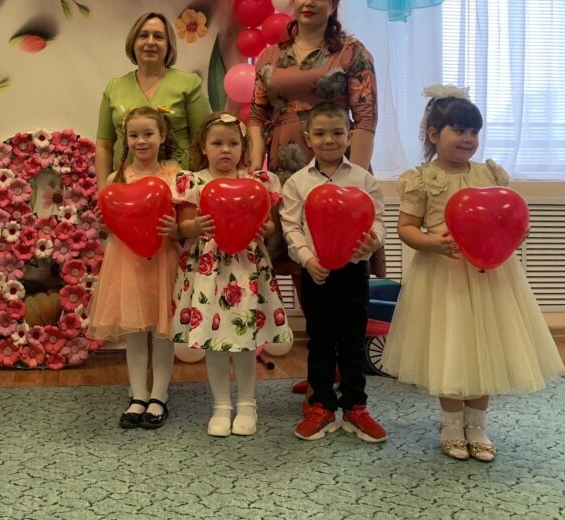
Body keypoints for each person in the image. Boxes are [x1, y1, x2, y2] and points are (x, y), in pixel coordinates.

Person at [381, 87, 565, 461]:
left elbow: (508, 214)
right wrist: (432, 242)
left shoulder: (489, 173)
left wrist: (516, 232)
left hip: (490, 275)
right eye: (459, 130)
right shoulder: (422, 178)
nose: (468, 138)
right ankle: (451, 425)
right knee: (451, 348)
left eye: (473, 131)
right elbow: (406, 228)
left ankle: (477, 425)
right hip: (444, 275)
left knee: (486, 348)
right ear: (434, 134)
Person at [247, 0, 379, 396]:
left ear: (333, 4)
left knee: (342, 265)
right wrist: (256, 172)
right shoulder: (270, 55)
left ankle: (344, 364)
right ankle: (323, 364)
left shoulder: (352, 52)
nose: (309, 2)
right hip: (285, 171)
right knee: (303, 264)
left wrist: (354, 182)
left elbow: (365, 117)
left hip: (338, 169)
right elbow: (257, 115)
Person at [174, 112, 292, 437]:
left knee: (245, 337)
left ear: (243, 147)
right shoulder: (194, 182)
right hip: (208, 270)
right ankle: (221, 406)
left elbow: (269, 225)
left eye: (232, 143)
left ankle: (247, 404)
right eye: (217, 143)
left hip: (245, 269)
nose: (225, 150)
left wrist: (264, 229)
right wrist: (195, 226)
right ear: (203, 147)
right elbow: (182, 227)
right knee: (214, 341)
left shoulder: (255, 183)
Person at [280, 102, 387, 443]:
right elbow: (291, 227)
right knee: (321, 341)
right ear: (308, 138)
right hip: (317, 273)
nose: (329, 140)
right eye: (321, 134)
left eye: (338, 133)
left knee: (353, 341)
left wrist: (373, 242)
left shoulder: (363, 179)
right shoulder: (297, 182)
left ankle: (355, 406)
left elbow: (377, 221)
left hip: (353, 272)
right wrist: (307, 259)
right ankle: (322, 406)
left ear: (349, 136)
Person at [87, 106, 180, 430]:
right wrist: (104, 222)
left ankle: (159, 394)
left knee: (162, 330)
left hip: (163, 260)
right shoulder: (116, 179)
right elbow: (111, 226)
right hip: (126, 262)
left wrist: (175, 228)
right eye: (134, 135)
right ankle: (138, 394)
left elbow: (181, 224)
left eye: (148, 134)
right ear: (125, 139)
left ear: (162, 136)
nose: (141, 141)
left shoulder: (174, 177)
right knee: (135, 331)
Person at [95, 12, 211, 188]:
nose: (150, 42)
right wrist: (103, 192)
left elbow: (204, 140)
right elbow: (104, 145)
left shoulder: (189, 84)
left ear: (169, 45)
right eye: (143, 36)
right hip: (126, 187)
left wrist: (198, 189)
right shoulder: (114, 87)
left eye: (158, 37)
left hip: (177, 188)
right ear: (133, 42)